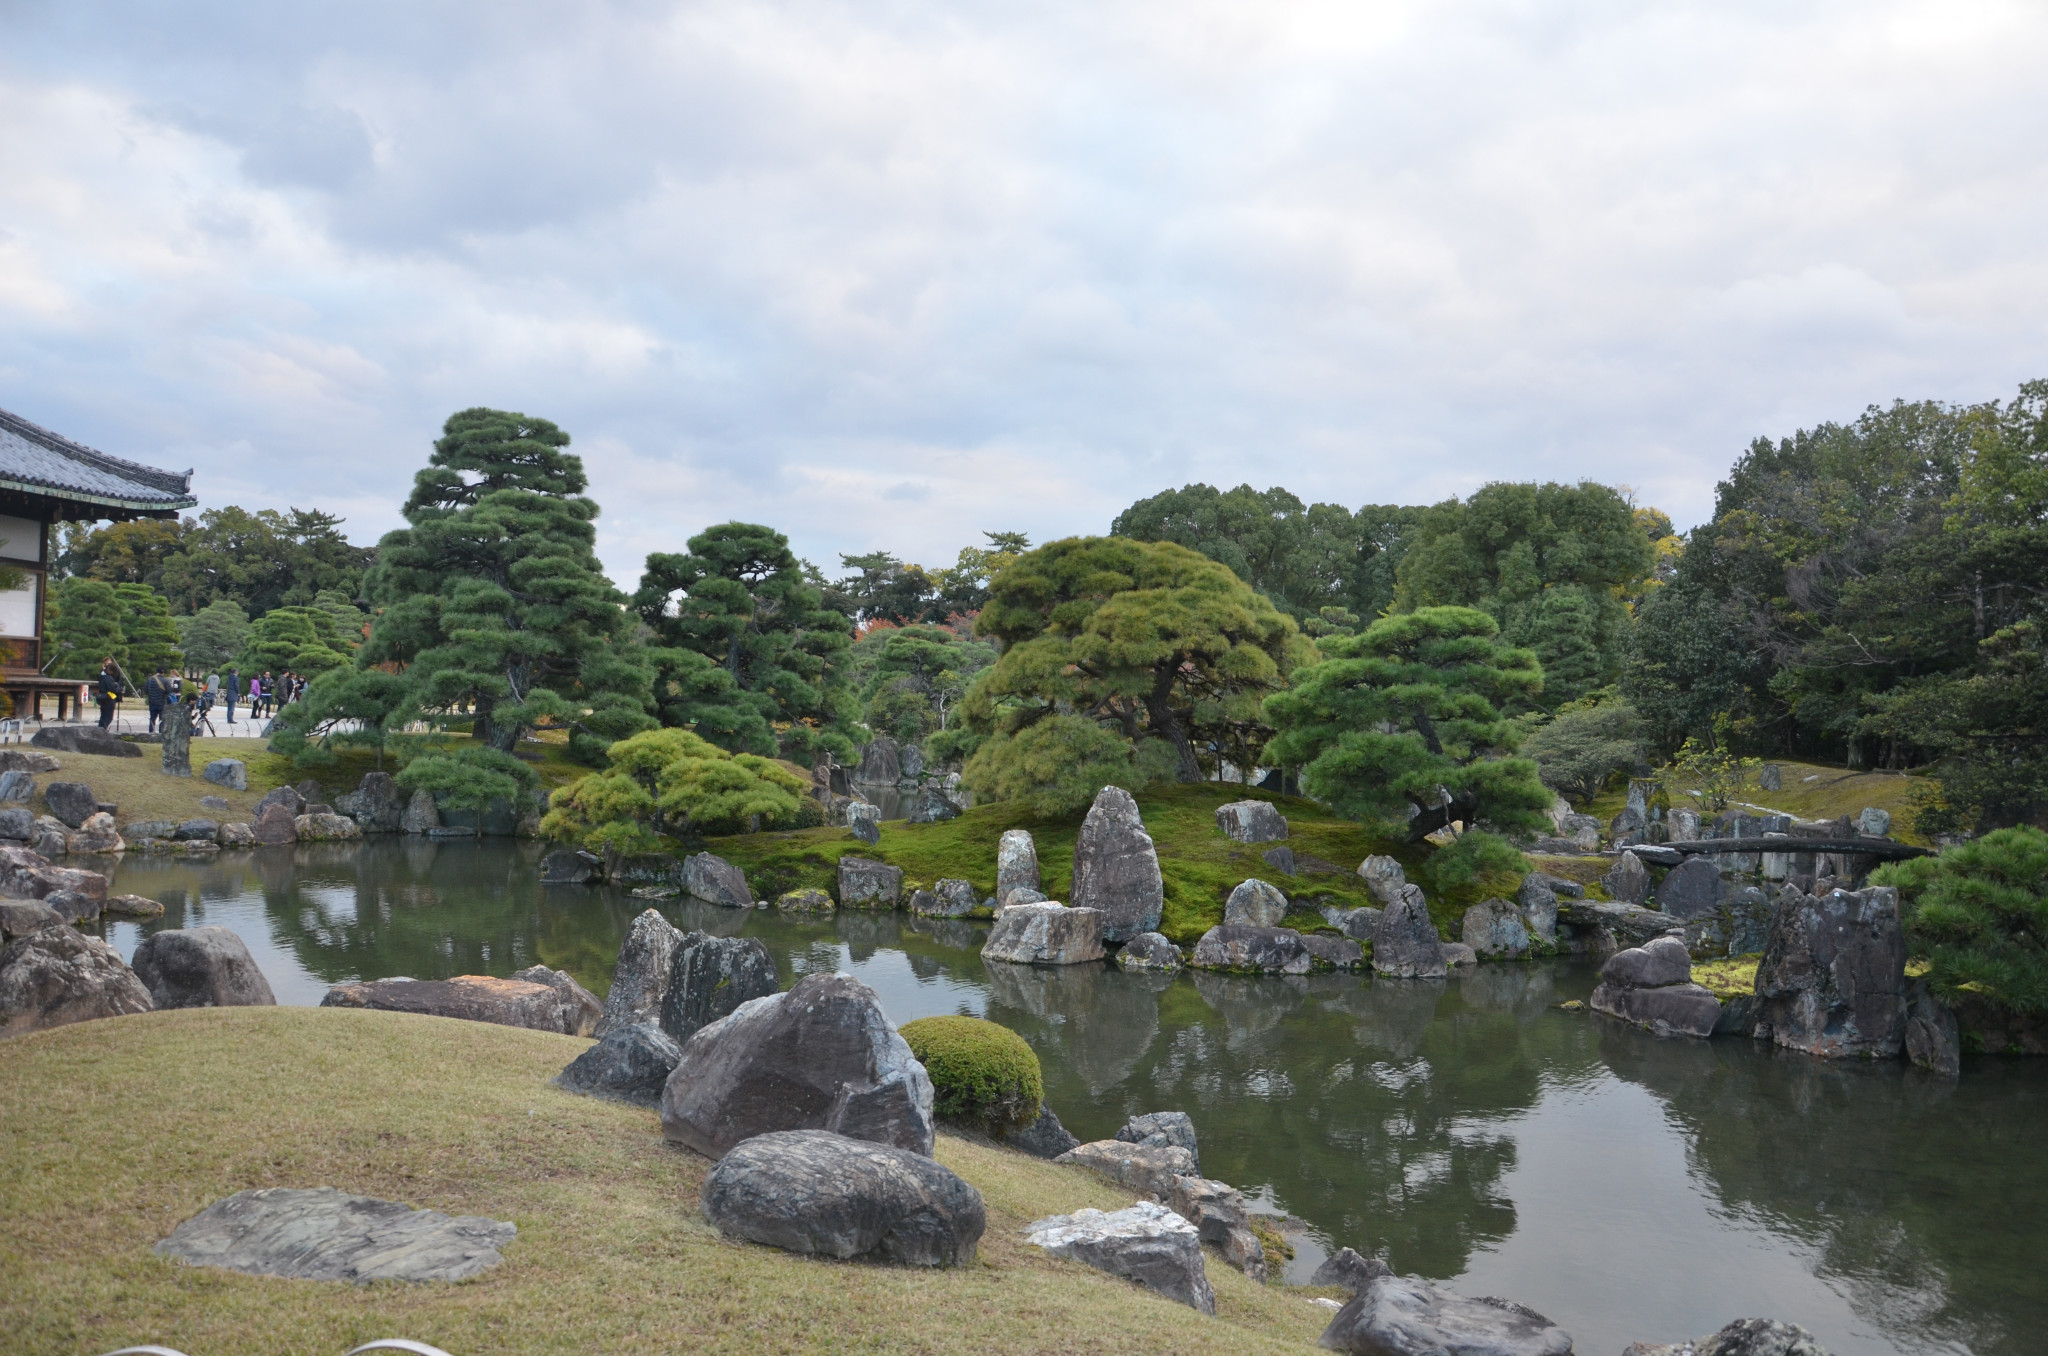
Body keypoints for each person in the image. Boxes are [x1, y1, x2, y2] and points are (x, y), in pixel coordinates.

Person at [144, 666, 167, 734]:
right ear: (163, 672)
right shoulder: (165, 680)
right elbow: (169, 691)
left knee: (152, 719)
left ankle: (151, 732)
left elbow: (145, 690)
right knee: (162, 720)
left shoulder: (150, 680)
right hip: (162, 702)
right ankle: (161, 733)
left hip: (152, 702)